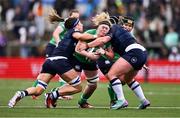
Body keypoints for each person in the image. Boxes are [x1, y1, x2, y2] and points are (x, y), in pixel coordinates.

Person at [8, 18, 96, 108]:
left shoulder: (67, 34)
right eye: (80, 23)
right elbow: (81, 37)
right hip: (60, 60)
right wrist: (96, 36)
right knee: (78, 87)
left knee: (38, 90)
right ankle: (52, 95)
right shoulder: (73, 31)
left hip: (49, 61)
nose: (82, 24)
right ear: (76, 25)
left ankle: (21, 93)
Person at [77, 17, 150, 110]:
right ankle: (143, 101)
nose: (106, 28)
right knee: (128, 79)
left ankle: (121, 100)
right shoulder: (125, 34)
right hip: (142, 53)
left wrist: (87, 45)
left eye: (107, 26)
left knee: (112, 74)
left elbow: (102, 41)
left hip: (133, 53)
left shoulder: (114, 28)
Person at [31, 9, 80, 100]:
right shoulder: (65, 24)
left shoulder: (75, 26)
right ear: (70, 17)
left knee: (64, 69)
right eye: (74, 17)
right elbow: (55, 33)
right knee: (45, 71)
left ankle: (61, 91)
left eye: (77, 18)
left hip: (62, 50)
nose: (76, 19)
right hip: (54, 47)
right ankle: (35, 89)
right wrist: (59, 43)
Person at [74, 18, 112, 108]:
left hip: (90, 62)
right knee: (73, 84)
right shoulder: (90, 32)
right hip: (77, 59)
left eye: (106, 29)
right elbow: (77, 49)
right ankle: (53, 96)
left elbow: (105, 56)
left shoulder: (106, 40)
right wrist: (89, 54)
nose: (104, 29)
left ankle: (82, 101)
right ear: (98, 27)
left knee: (93, 84)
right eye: (103, 27)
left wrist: (101, 53)